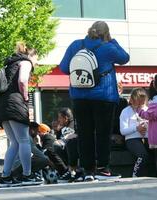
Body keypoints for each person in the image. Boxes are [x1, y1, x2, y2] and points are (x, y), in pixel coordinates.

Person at [59, 21, 130, 181]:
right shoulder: (108, 47)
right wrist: (112, 41)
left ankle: (86, 170)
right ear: (106, 33)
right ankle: (102, 169)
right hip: (103, 96)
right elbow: (125, 58)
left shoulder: (75, 45)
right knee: (103, 133)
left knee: (84, 134)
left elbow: (64, 68)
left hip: (79, 97)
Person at [0, 42, 41, 187]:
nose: (37, 62)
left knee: (14, 142)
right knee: (24, 141)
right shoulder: (25, 62)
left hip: (2, 106)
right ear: (31, 55)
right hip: (15, 104)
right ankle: (27, 175)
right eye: (36, 59)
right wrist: (26, 97)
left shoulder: (10, 64)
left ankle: (5, 177)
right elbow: (22, 80)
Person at [120, 88, 149, 177]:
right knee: (142, 155)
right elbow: (123, 131)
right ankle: (135, 175)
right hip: (132, 139)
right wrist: (137, 128)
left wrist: (147, 128)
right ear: (132, 100)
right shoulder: (126, 111)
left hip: (148, 137)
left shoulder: (148, 109)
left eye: (142, 103)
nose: (140, 106)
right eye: (138, 103)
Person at [56, 108, 83, 182]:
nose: (58, 120)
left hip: (77, 147)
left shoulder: (73, 125)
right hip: (70, 149)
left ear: (66, 118)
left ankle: (74, 170)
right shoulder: (64, 127)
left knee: (57, 145)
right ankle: (66, 171)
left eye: (60, 117)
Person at [111, 82, 129, 150]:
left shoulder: (123, 101)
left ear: (120, 91)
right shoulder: (122, 101)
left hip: (119, 128)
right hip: (116, 128)